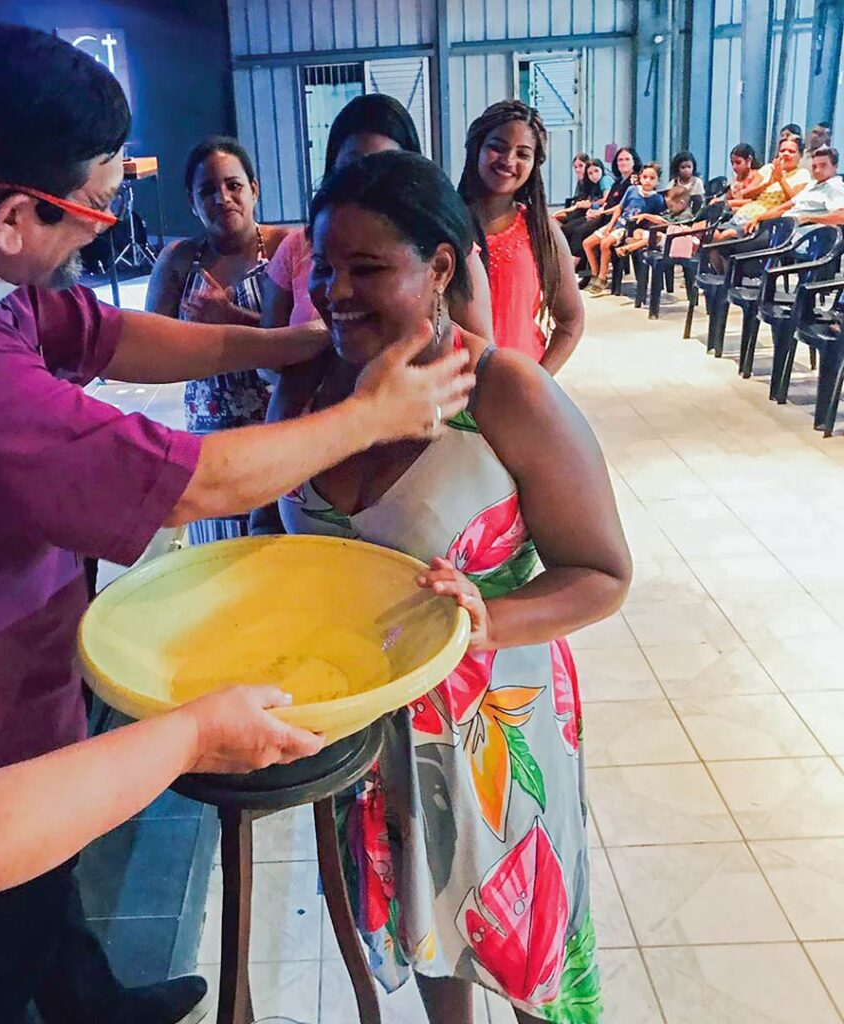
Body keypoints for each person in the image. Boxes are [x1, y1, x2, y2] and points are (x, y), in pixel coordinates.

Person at [0, 28, 475, 1024]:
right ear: (10, 214)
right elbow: (186, 484)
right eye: (93, 205)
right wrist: (368, 412)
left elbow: (106, 332)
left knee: (46, 892)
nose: (102, 227)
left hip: (20, 642)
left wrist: (307, 337)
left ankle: (87, 998)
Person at [267, 149, 632, 1024]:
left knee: (523, 943)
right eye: (323, 265)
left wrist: (488, 618)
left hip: (491, 729)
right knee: (427, 927)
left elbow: (605, 574)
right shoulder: (315, 383)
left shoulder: (506, 393)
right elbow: (269, 525)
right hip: (363, 728)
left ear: (438, 267)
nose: (334, 289)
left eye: (366, 268)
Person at [144, 136, 290, 543]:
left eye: (233, 185)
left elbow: (313, 336)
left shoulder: (287, 247)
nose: (222, 198)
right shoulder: (177, 261)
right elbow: (152, 352)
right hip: (211, 436)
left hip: (280, 428)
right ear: (192, 202)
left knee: (282, 552)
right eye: (207, 190)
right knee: (220, 558)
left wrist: (231, 320)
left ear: (254, 189)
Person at [260, 94, 493, 340]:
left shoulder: (448, 248)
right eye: (324, 268)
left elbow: (476, 353)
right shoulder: (297, 247)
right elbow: (270, 351)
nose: (370, 181)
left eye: (367, 269)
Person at [458, 101, 583, 373]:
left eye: (522, 154)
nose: (508, 161)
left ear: (534, 164)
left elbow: (571, 320)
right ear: (477, 148)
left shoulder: (541, 231)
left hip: (517, 388)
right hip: (453, 392)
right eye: (497, 147)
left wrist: (539, 382)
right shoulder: (446, 223)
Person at [561, 146, 641, 285]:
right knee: (568, 228)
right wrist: (597, 210)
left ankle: (581, 273)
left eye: (627, 159)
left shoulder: (634, 182)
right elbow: (609, 202)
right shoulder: (618, 181)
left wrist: (600, 212)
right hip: (605, 214)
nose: (623, 162)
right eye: (620, 160)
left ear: (634, 161)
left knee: (581, 231)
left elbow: (623, 207)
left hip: (619, 220)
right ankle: (574, 268)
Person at [583, 161, 665, 295]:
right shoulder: (632, 190)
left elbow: (655, 220)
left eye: (652, 178)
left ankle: (602, 278)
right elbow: (620, 208)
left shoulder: (657, 199)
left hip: (628, 229)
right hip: (618, 223)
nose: (647, 181)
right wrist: (610, 225)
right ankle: (594, 273)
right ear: (640, 177)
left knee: (605, 243)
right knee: (587, 243)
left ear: (657, 180)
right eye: (644, 177)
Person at [715, 134, 811, 240]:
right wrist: (769, 182)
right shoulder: (769, 168)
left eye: (791, 151)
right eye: (782, 151)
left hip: (767, 221)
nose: (786, 154)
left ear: (800, 155)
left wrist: (781, 180)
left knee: (725, 236)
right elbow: (747, 194)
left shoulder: (802, 174)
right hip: (746, 212)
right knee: (712, 235)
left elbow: (794, 202)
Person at [744, 145, 844, 231]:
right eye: (814, 166)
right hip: (779, 227)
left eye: (823, 166)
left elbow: (841, 216)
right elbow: (785, 207)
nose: (817, 170)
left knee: (735, 240)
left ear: (835, 166)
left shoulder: (835, 187)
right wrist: (758, 218)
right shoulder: (812, 184)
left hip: (796, 235)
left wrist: (810, 218)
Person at [615, 183, 696, 257]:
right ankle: (639, 245)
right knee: (638, 231)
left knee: (655, 236)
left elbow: (670, 225)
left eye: (671, 206)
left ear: (681, 203)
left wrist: (650, 217)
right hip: (664, 239)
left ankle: (628, 248)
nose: (670, 209)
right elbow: (663, 218)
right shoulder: (672, 213)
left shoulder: (687, 215)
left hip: (676, 241)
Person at [552, 157, 607, 224]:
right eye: (575, 167)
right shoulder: (583, 182)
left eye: (581, 166)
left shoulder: (603, 180)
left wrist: (590, 204)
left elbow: (605, 199)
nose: (578, 170)